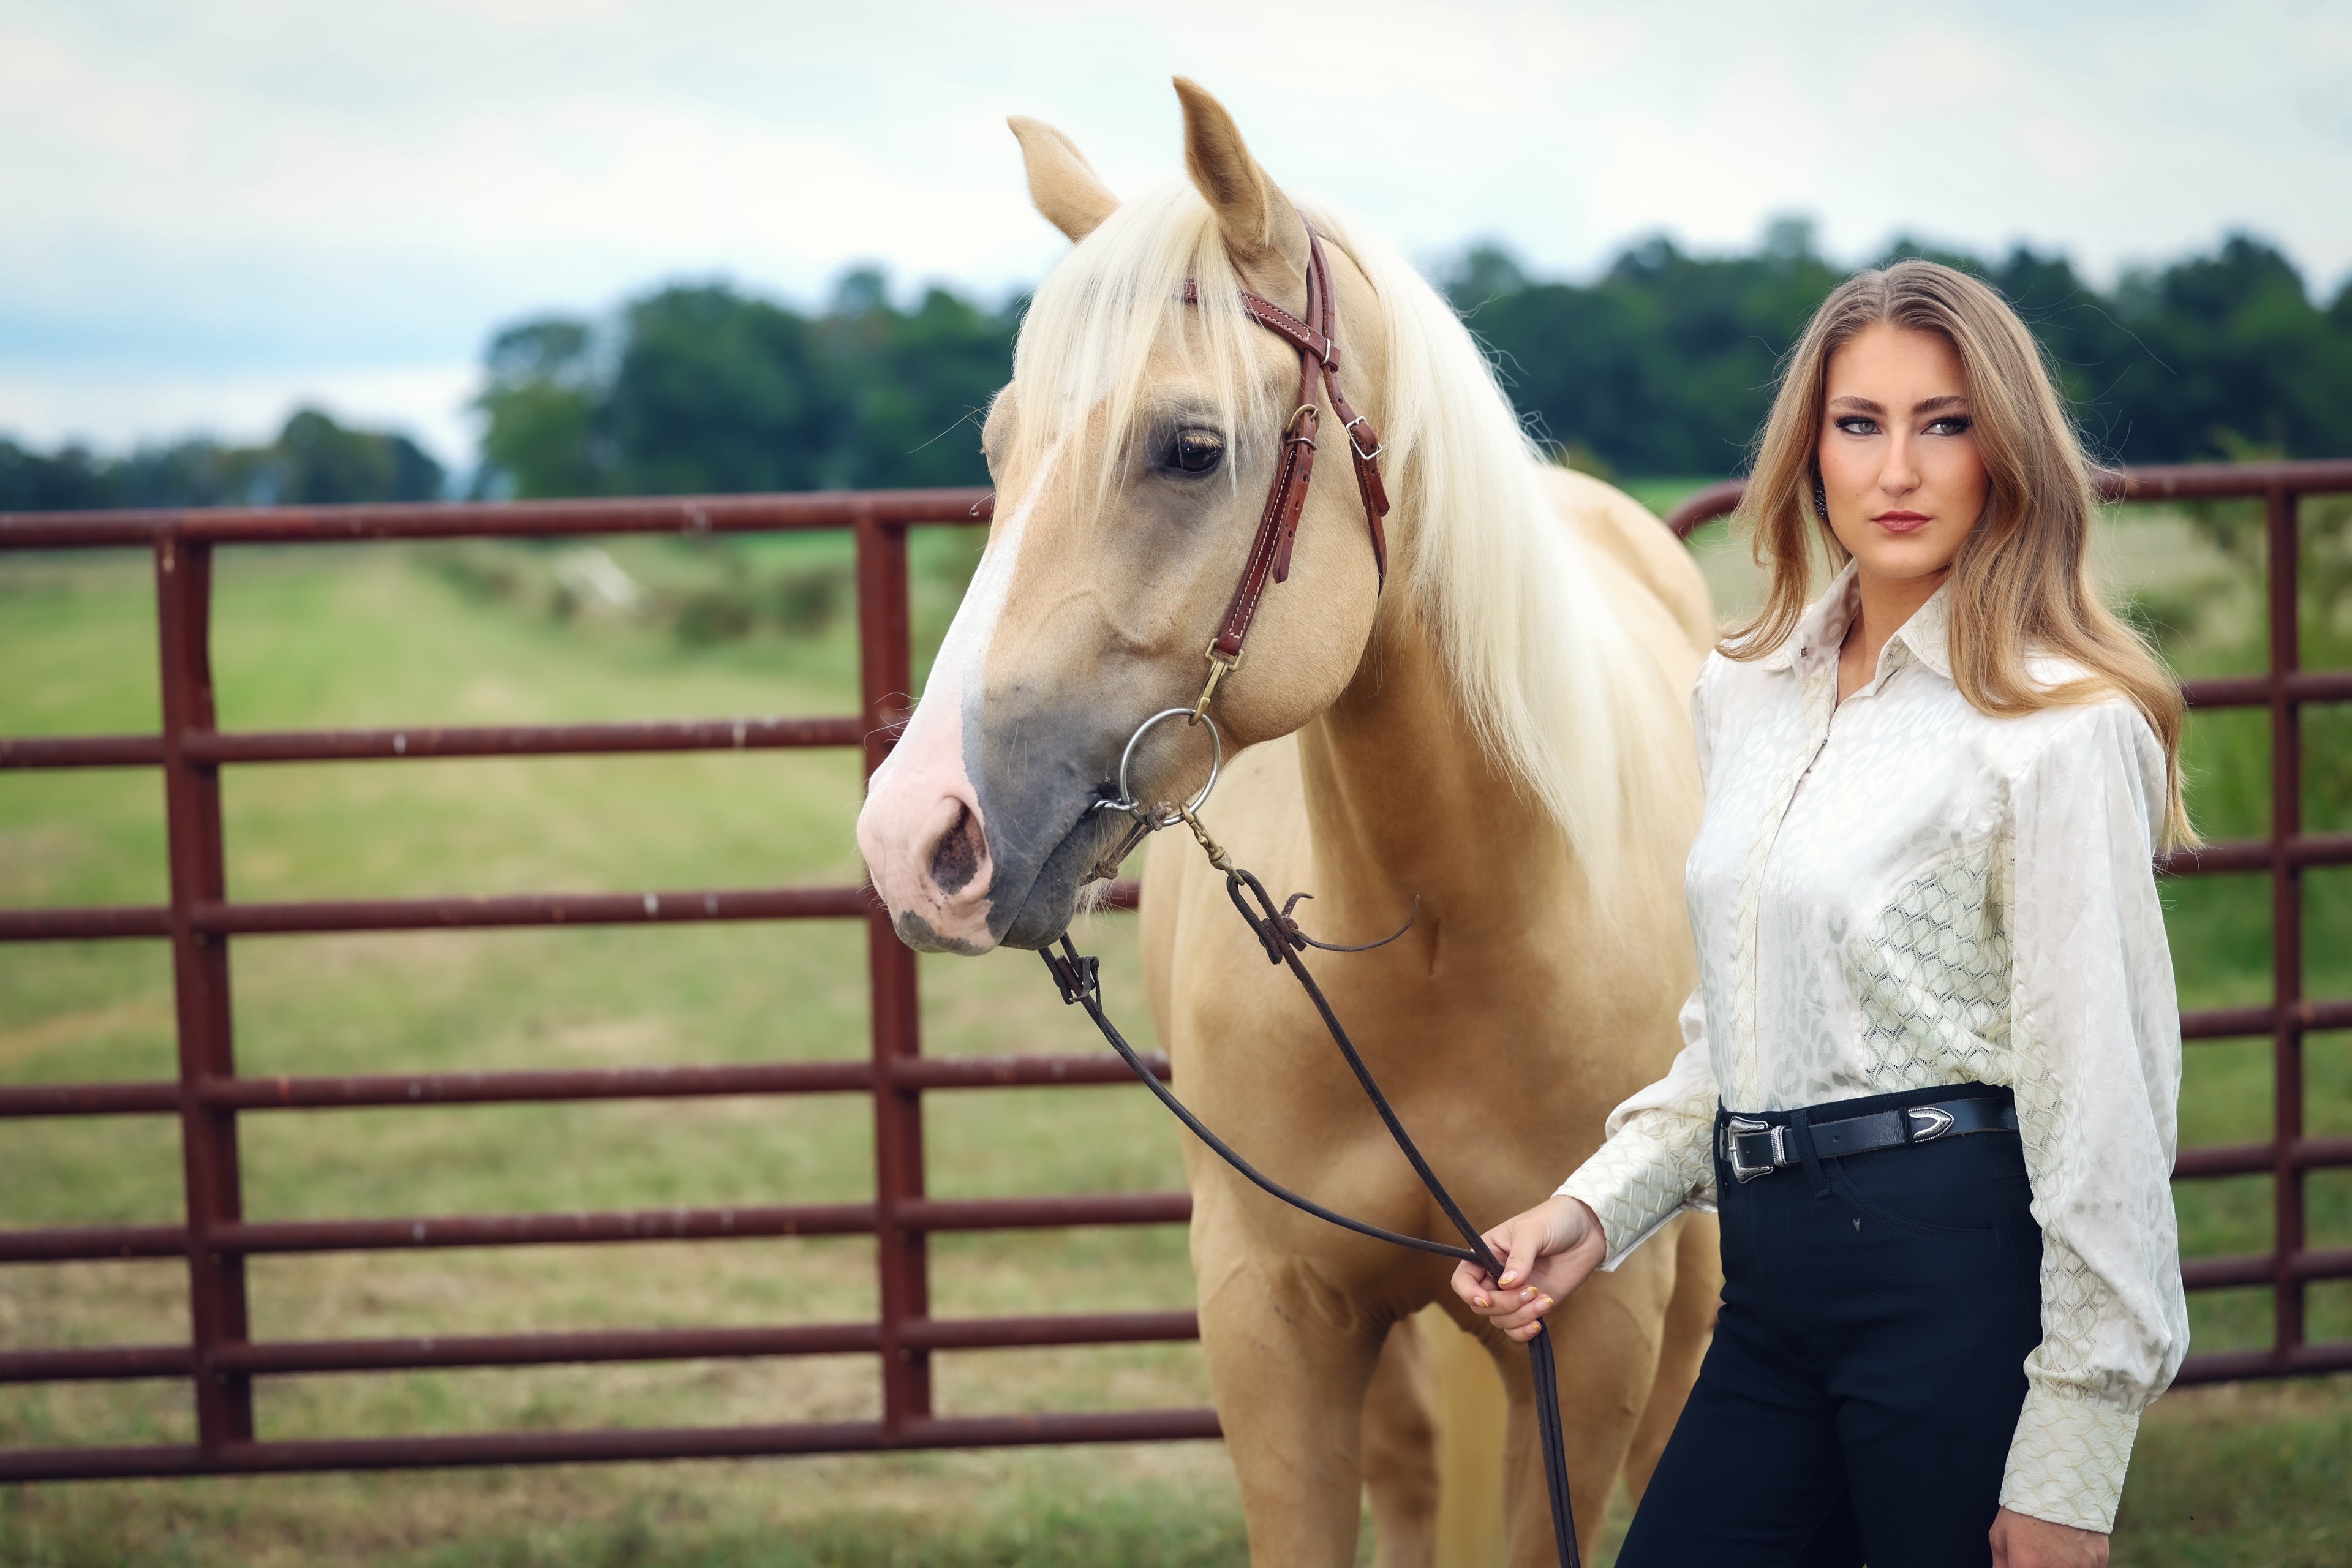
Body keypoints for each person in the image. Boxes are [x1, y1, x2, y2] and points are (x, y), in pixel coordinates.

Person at [1452, 259, 2190, 1568]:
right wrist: (1590, 1209)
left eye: (1944, 422)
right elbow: (1731, 1035)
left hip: (1950, 1282)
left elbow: (2105, 1111)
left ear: (2003, 450)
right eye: (1861, 424)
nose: (1898, 468)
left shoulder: (2059, 726)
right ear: (1811, 450)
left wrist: (2074, 1458)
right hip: (1770, 1288)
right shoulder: (1746, 695)